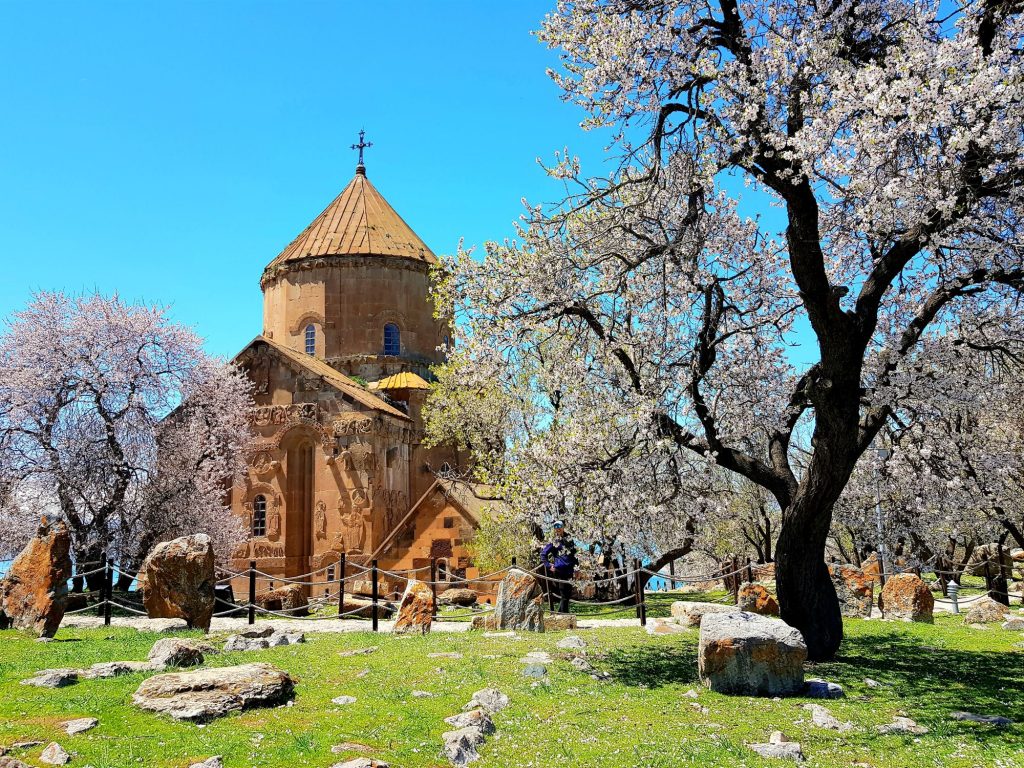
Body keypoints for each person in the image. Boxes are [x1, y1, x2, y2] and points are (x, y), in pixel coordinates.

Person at [539, 520, 577, 613]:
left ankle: (561, 615)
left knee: (567, 595)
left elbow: (575, 554)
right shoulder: (554, 541)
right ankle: (564, 615)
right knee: (564, 595)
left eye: (559, 526)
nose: (558, 529)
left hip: (570, 570)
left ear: (563, 527)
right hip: (560, 571)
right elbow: (543, 554)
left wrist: (577, 568)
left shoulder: (569, 539)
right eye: (555, 527)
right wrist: (548, 565)